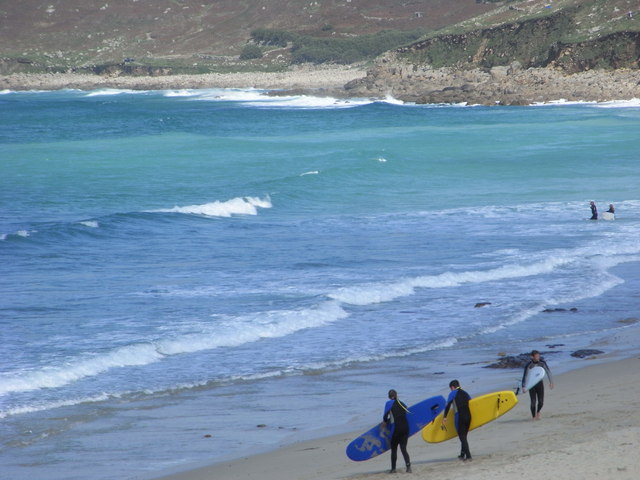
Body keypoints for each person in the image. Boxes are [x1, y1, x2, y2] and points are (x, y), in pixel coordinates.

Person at [442, 380, 472, 462]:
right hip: (468, 416)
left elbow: (448, 405)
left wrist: (445, 417)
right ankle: (462, 454)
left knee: (462, 436)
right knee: (464, 436)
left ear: (452, 387)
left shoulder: (453, 393)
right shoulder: (465, 393)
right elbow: (472, 403)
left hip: (460, 415)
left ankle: (469, 456)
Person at [383, 389, 411, 473]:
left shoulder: (389, 404)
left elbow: (385, 416)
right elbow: (405, 412)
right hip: (405, 427)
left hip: (397, 429)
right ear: (396, 395)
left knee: (394, 448)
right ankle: (408, 467)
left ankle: (393, 469)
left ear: (389, 396)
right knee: (403, 448)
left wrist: (386, 421)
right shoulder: (401, 403)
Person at [521, 350, 554, 420]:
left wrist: (551, 382)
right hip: (531, 385)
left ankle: (538, 411)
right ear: (532, 357)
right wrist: (524, 386)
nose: (538, 357)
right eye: (536, 356)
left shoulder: (542, 363)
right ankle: (533, 417)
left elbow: (548, 372)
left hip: (539, 384)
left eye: (538, 356)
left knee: (541, 402)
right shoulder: (528, 365)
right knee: (533, 402)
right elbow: (525, 376)